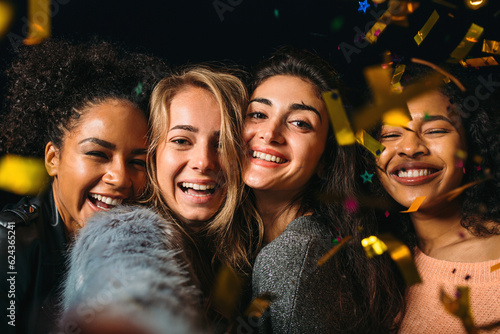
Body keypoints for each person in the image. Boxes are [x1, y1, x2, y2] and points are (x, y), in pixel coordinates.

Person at [61, 65, 257, 332]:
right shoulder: (125, 231)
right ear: (152, 156)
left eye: (222, 144)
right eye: (181, 140)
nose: (204, 162)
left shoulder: (245, 247)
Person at [0, 39, 168, 334]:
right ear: (53, 158)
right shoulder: (9, 244)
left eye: (137, 162)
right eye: (97, 154)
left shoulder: (142, 249)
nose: (119, 177)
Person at [243, 47, 404, 333]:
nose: (270, 133)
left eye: (300, 123)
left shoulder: (292, 258)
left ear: (325, 158)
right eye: (258, 114)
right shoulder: (268, 242)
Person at [368, 62, 500, 332]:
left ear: (471, 143)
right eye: (391, 134)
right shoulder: (379, 262)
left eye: (435, 130)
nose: (409, 148)